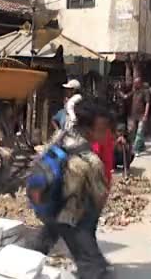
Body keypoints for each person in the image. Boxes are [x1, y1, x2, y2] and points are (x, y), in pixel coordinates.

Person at [31, 98, 112, 279]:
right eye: (104, 128)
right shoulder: (89, 160)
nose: (107, 133)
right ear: (90, 129)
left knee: (46, 239)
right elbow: (98, 196)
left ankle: (26, 266)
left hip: (51, 206)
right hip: (72, 217)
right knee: (93, 266)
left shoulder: (61, 140)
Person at [129, 77, 151, 157]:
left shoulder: (145, 92)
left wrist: (146, 114)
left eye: (136, 83)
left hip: (142, 115)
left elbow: (147, 103)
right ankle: (141, 146)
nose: (134, 84)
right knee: (133, 132)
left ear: (140, 83)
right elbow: (127, 97)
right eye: (134, 83)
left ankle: (136, 149)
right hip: (133, 115)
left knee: (139, 132)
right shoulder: (134, 91)